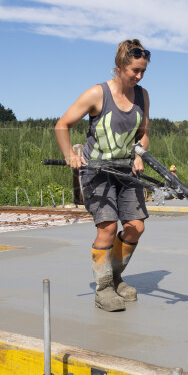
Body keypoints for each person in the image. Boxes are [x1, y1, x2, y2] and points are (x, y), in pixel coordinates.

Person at [55, 39, 151, 311]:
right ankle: (104, 287)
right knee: (108, 229)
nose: (139, 76)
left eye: (143, 71)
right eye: (134, 70)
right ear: (119, 67)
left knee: (136, 228)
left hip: (126, 170)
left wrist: (138, 155)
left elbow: (143, 134)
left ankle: (117, 277)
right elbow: (62, 125)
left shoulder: (142, 96)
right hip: (97, 171)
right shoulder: (97, 94)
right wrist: (69, 155)